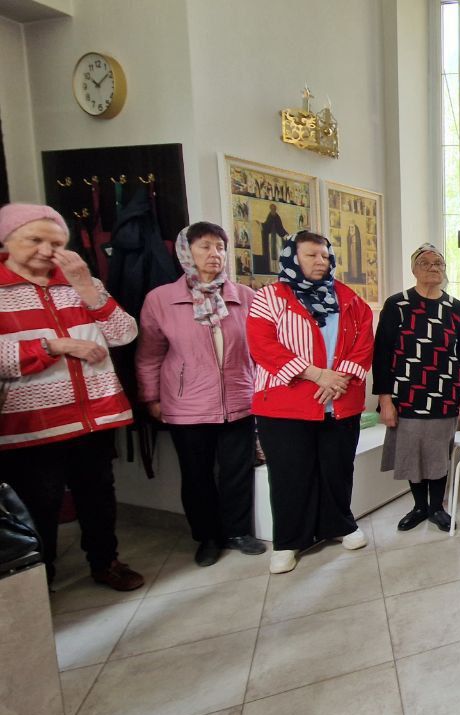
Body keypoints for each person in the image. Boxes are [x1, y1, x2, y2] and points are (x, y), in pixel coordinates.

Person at [0, 203, 144, 591]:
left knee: (99, 497)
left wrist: (86, 289)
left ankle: (105, 563)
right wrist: (53, 346)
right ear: (7, 240)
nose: (47, 250)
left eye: (56, 242)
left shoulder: (82, 283)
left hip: (95, 415)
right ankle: (36, 579)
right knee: (38, 504)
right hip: (33, 422)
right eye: (35, 240)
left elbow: (124, 334)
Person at [136, 222, 265, 567]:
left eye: (220, 247)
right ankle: (207, 537)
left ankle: (238, 532)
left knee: (237, 471)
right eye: (205, 246)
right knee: (197, 475)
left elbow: (259, 351)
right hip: (186, 404)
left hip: (240, 399)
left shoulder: (244, 296)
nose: (215, 254)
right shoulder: (161, 299)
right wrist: (151, 398)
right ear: (186, 252)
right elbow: (149, 355)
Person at [246, 231, 373, 574]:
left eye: (325, 256)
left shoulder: (349, 299)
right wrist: (317, 375)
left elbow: (363, 342)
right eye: (311, 255)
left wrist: (338, 379)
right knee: (290, 473)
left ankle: (340, 524)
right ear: (292, 258)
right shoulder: (270, 297)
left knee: (337, 468)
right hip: (285, 404)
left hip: (340, 400)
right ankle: (289, 540)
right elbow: (262, 345)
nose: (320, 262)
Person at [374, 243, 460, 533]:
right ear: (414, 269)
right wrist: (385, 400)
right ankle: (419, 506)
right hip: (406, 396)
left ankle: (436, 508)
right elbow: (381, 355)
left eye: (439, 263)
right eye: (426, 263)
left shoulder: (457, 309)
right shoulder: (397, 305)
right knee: (412, 454)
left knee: (437, 455)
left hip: (445, 396)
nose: (433, 268)